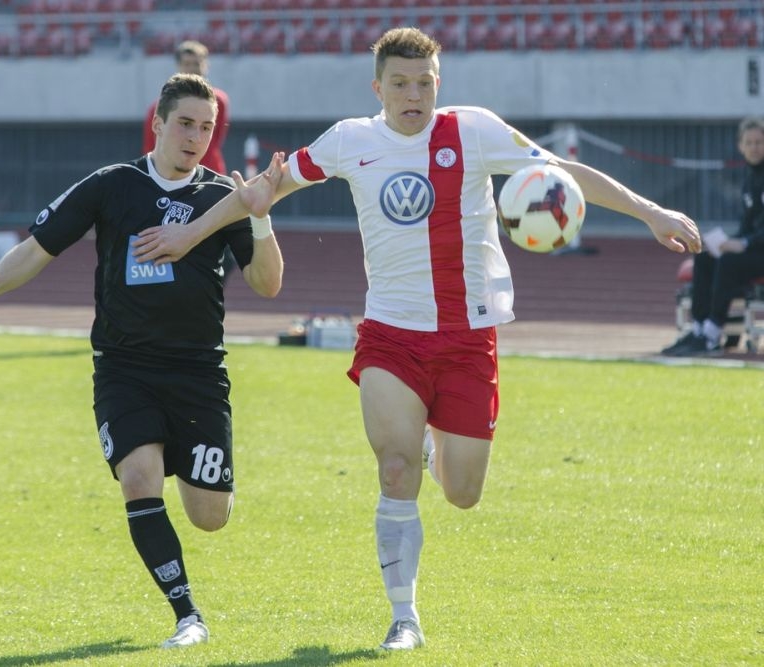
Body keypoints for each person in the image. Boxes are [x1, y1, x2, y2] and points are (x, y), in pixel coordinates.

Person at [131, 27, 701, 651]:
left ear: (438, 84)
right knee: (395, 469)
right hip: (390, 336)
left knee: (462, 493)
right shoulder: (350, 140)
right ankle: (404, 618)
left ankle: (436, 446)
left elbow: (562, 172)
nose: (413, 94)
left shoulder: (475, 130)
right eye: (400, 83)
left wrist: (652, 213)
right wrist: (189, 234)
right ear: (377, 88)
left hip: (468, 337)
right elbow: (261, 192)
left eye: (424, 83)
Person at [0, 74, 284, 649]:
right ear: (157, 123)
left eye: (206, 127)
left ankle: (188, 467)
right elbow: (37, 248)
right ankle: (187, 616)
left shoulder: (222, 197)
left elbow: (268, 284)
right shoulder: (112, 184)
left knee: (210, 516)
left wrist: (260, 216)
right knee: (138, 478)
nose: (195, 137)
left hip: (199, 373)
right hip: (124, 368)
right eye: (185, 124)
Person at [661, 115, 764, 356]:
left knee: (729, 262)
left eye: (759, 142)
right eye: (748, 143)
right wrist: (727, 242)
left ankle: (712, 334)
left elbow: (752, 235)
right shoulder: (750, 179)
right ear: (740, 146)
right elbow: (748, 224)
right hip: (754, 250)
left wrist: (744, 243)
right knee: (706, 256)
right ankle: (699, 328)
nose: (754, 148)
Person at [142, 40, 230, 174]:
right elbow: (151, 146)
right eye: (187, 64)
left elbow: (216, 140)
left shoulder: (219, 101)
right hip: (173, 175)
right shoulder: (158, 107)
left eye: (197, 64)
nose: (192, 69)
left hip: (210, 170)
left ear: (206, 66)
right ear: (178, 66)